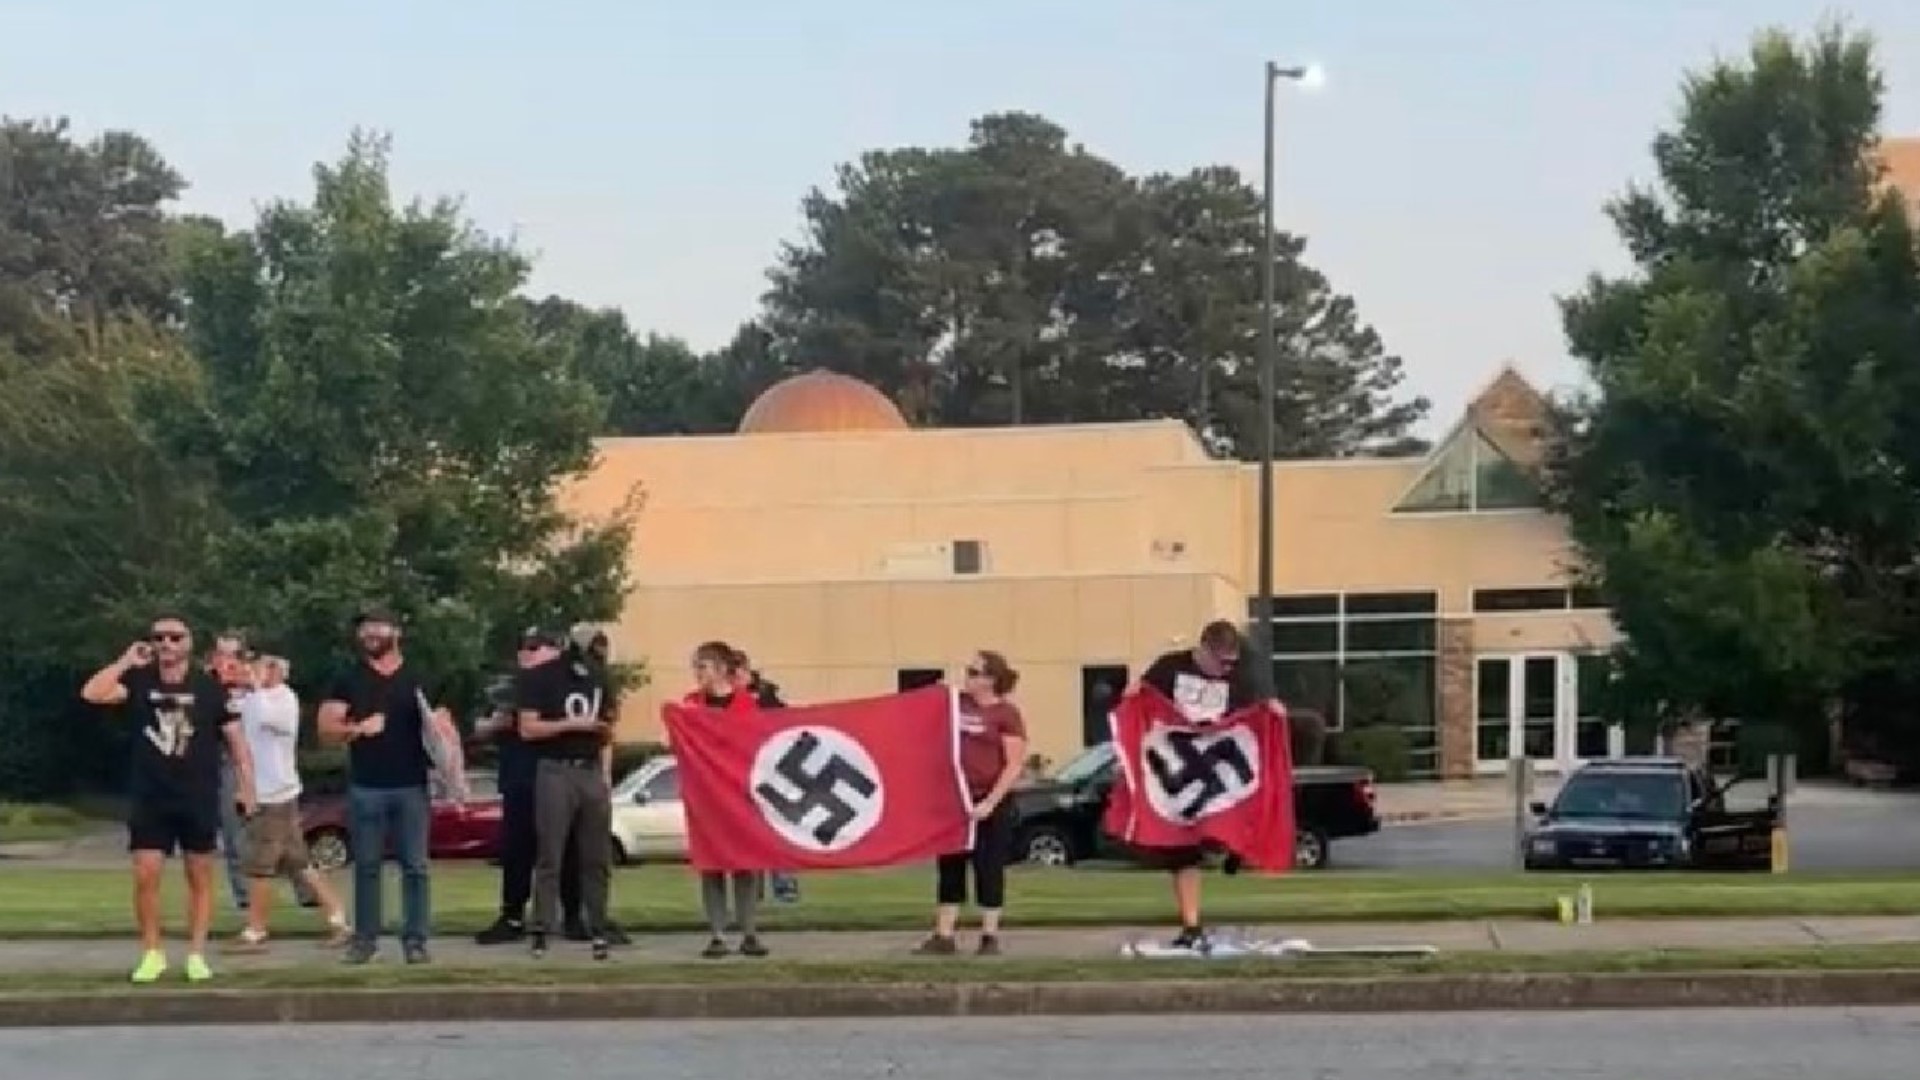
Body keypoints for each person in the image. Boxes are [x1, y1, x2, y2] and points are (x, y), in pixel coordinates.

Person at [80, 615, 258, 984]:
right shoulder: (140, 682)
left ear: (189, 644)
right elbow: (93, 693)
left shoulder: (209, 690)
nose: (166, 644)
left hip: (197, 794)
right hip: (151, 794)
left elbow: (238, 744)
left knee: (200, 876)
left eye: (175, 637)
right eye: (159, 637)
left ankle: (196, 954)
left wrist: (247, 787)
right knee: (146, 876)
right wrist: (126, 661)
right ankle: (152, 952)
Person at [317, 605, 462, 965]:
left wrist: (453, 769)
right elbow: (325, 729)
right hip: (367, 786)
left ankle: (416, 941)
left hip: (412, 785)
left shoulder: (420, 678)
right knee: (366, 866)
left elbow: (444, 730)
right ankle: (365, 941)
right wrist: (357, 729)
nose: (369, 634)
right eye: (364, 628)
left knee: (415, 866)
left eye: (377, 627)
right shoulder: (348, 678)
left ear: (396, 632)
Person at [1132, 619, 1282, 954]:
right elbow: (1141, 699)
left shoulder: (1238, 678)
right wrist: (1133, 698)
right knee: (1184, 852)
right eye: (1221, 662)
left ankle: (1232, 846)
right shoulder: (1170, 668)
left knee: (1232, 811)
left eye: (1232, 662)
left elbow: (1253, 714)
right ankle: (1191, 925)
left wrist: (1270, 707)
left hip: (1218, 763)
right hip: (1180, 765)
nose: (1226, 669)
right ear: (1203, 650)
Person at [230, 654, 351, 951]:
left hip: (275, 794)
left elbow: (272, 721)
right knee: (299, 863)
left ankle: (256, 930)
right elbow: (230, 713)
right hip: (264, 791)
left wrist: (255, 689)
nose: (253, 672)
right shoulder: (253, 699)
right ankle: (339, 919)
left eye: (260, 667)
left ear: (276, 672)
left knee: (261, 864)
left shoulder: (284, 699)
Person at [473, 632, 586, 946]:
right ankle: (512, 916)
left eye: (535, 648)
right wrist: (497, 723)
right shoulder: (509, 688)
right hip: (520, 777)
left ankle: (574, 915)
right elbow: (479, 728)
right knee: (517, 850)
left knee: (566, 849)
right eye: (523, 647)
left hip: (560, 776)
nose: (526, 653)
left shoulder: (567, 686)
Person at [515, 626, 617, 960]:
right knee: (551, 853)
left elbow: (607, 731)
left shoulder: (601, 680)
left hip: (589, 771)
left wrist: (604, 776)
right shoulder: (540, 678)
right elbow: (528, 728)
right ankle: (542, 926)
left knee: (596, 856)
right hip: (555, 768)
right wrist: (572, 725)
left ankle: (598, 925)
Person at [916, 650, 1027, 956]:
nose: (968, 677)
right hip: (955, 797)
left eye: (975, 672)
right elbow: (930, 709)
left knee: (988, 867)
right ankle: (944, 935)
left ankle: (989, 935)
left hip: (990, 800)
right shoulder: (958, 704)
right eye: (968, 671)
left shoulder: (1006, 714)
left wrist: (990, 802)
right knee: (950, 866)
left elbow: (1014, 764)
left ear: (990, 679)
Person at [210, 633, 318, 914]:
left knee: (285, 835)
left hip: (266, 768)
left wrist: (251, 683)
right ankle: (246, 897)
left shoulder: (258, 683)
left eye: (234, 653)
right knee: (236, 833)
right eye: (222, 653)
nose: (227, 660)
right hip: (230, 761)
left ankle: (307, 891)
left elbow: (274, 715)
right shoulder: (211, 685)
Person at [684, 641, 773, 959]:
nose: (698, 674)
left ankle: (749, 931)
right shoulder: (691, 706)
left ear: (721, 669)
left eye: (703, 667)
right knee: (712, 866)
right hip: (706, 799)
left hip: (740, 796)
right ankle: (718, 933)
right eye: (696, 667)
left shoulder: (746, 704)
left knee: (746, 866)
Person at [731, 649, 800, 905]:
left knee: (776, 830)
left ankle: (785, 887)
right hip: (741, 775)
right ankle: (753, 891)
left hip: (770, 774)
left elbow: (786, 721)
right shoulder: (724, 700)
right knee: (748, 835)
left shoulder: (767, 695)